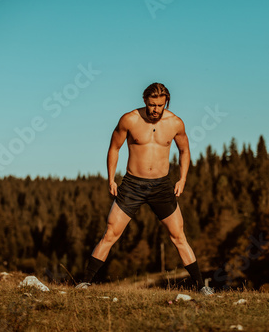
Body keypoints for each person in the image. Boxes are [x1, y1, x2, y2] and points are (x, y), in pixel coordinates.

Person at [76, 82, 214, 295]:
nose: (155, 110)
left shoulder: (175, 123)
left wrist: (183, 179)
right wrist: (111, 179)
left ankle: (201, 287)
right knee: (111, 233)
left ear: (165, 102)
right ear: (144, 101)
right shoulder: (129, 120)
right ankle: (85, 283)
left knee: (178, 236)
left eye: (159, 105)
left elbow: (184, 151)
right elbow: (114, 147)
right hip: (133, 185)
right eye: (151, 105)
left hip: (162, 186)